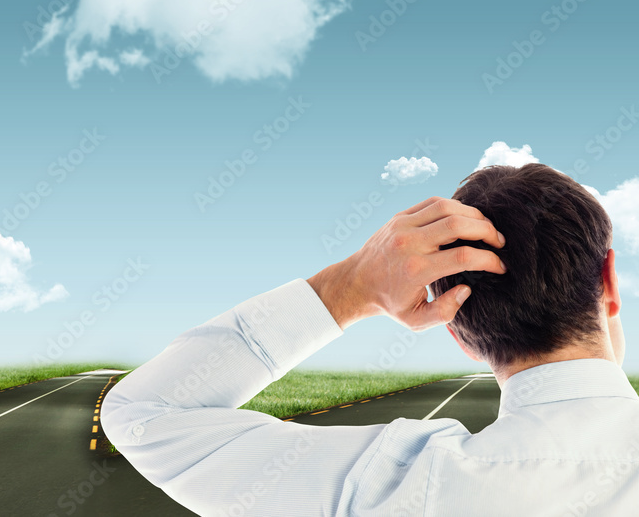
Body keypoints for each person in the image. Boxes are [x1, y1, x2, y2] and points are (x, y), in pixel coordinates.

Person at [100, 164, 636, 516]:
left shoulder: (403, 486)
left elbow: (142, 414)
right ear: (610, 282)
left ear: (460, 336)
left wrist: (352, 287)